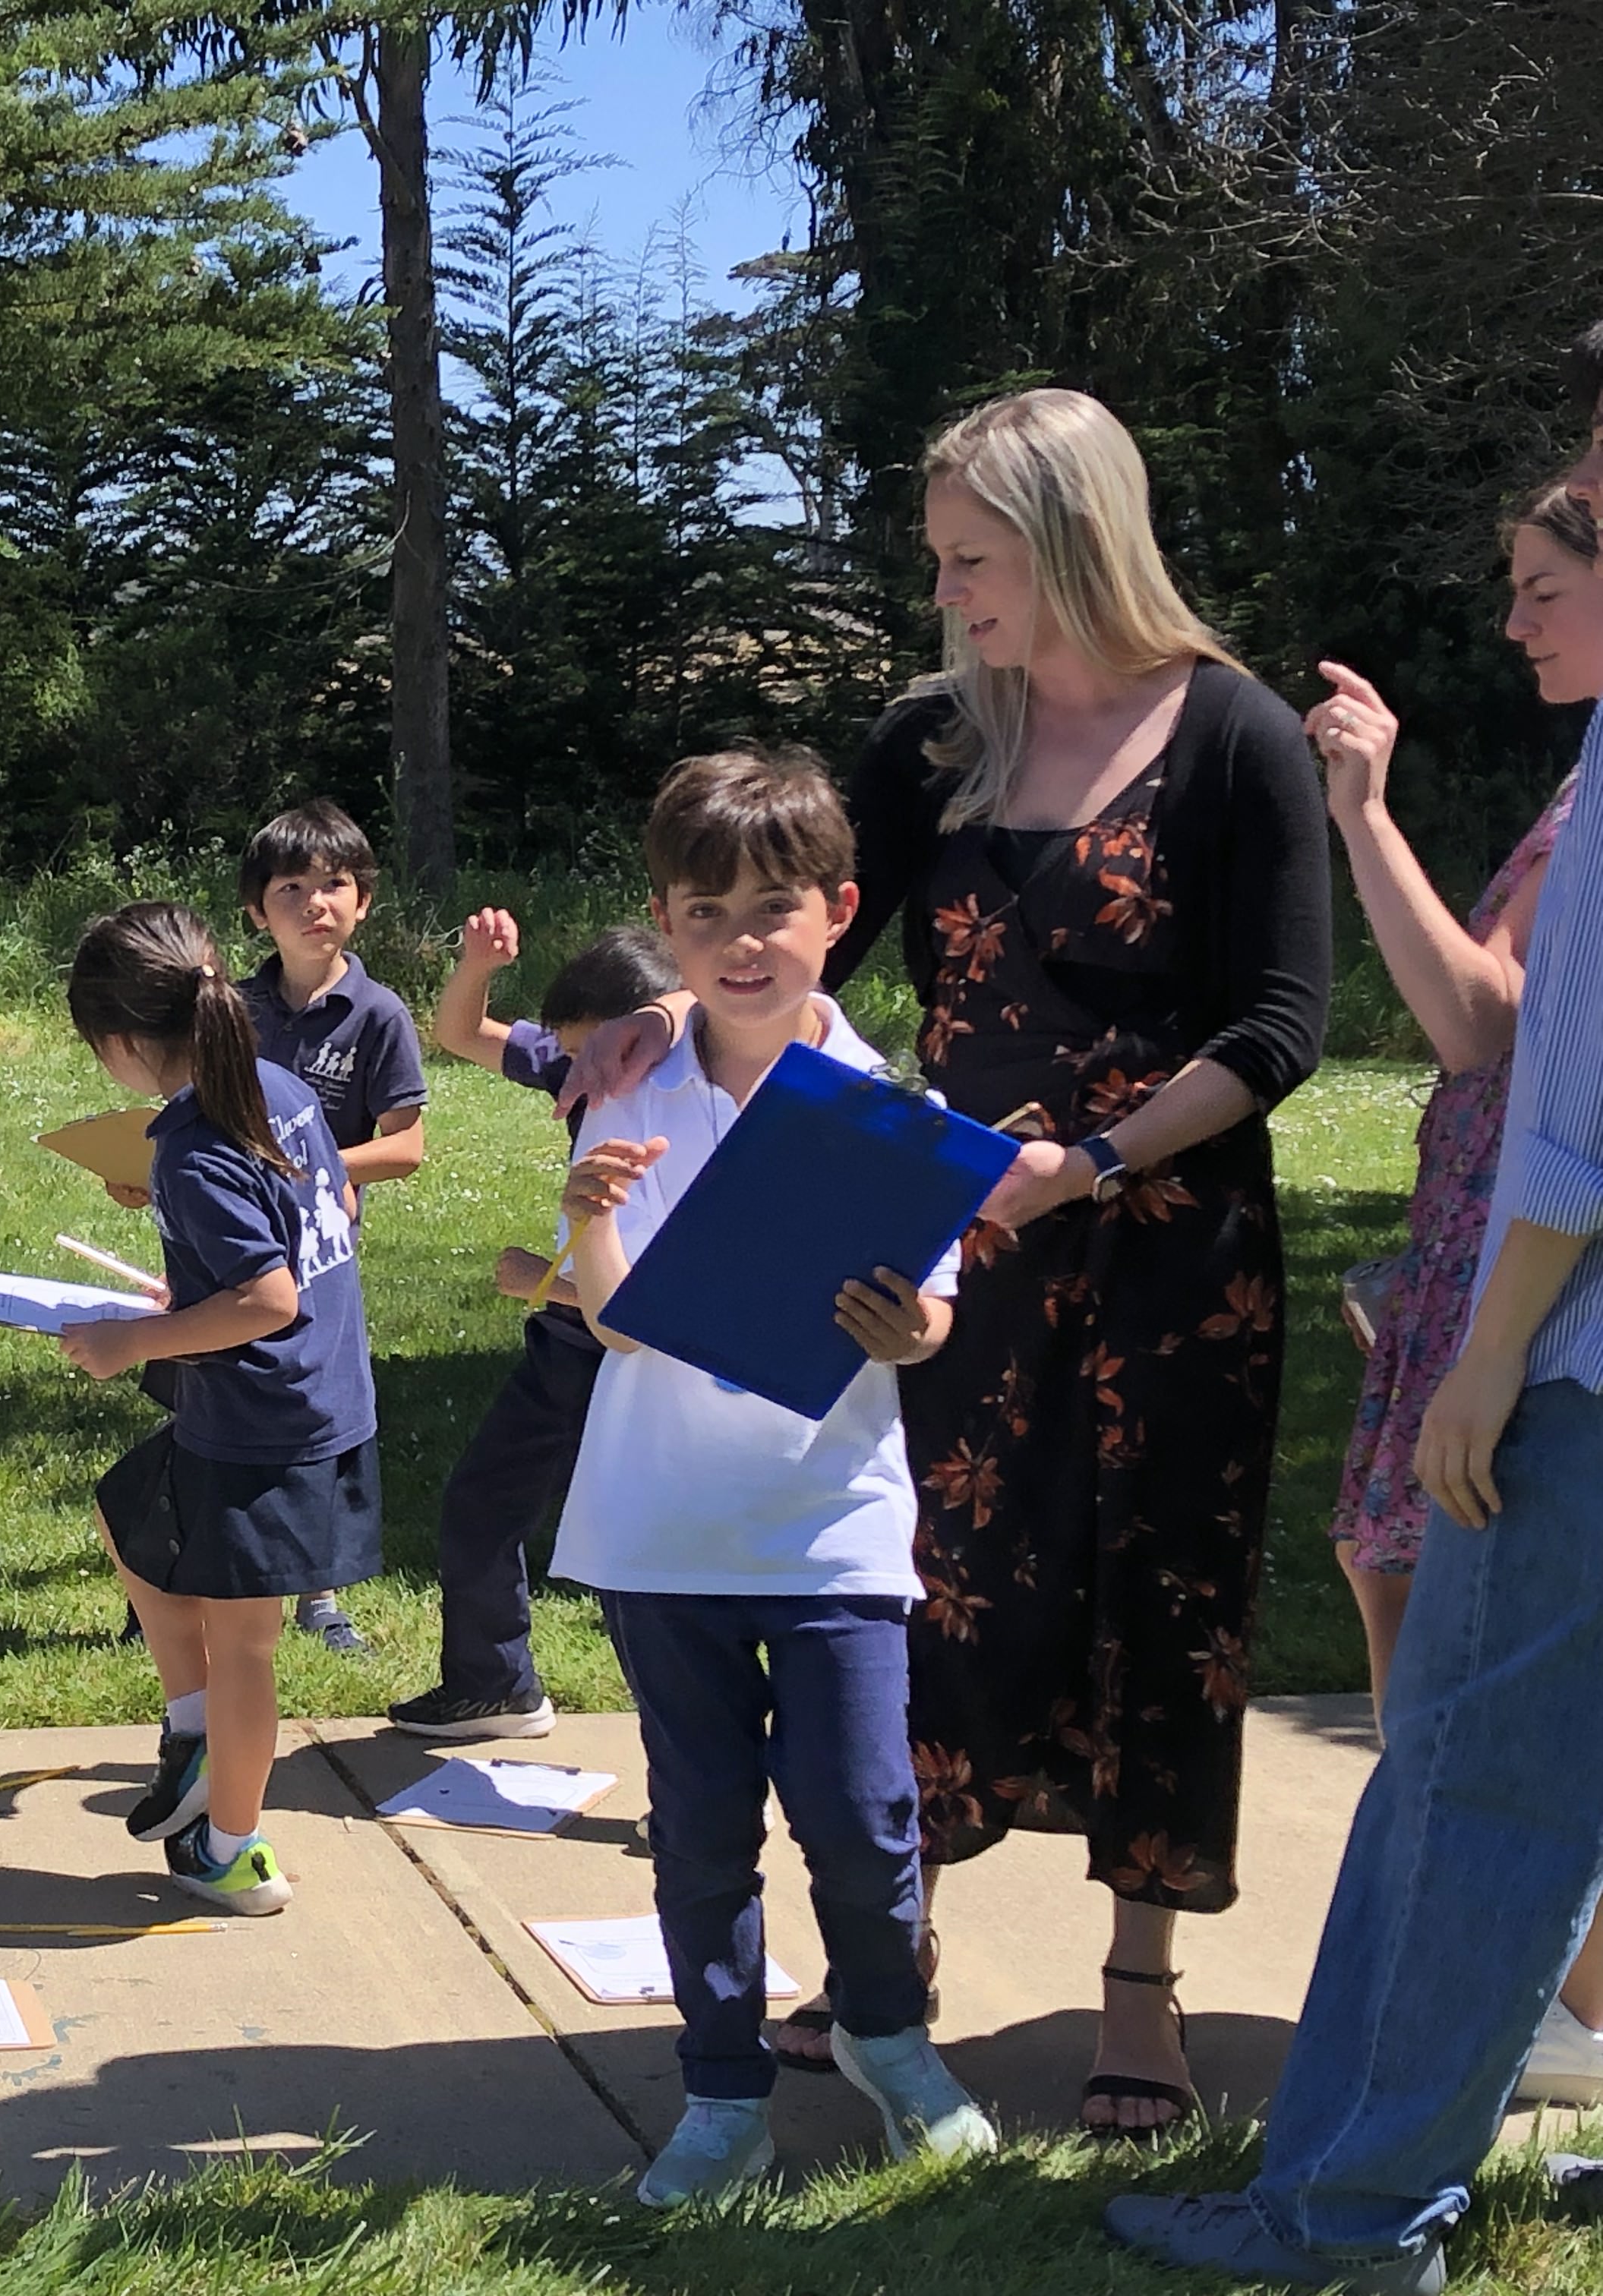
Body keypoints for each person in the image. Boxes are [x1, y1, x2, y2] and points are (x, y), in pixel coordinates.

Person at [575, 389, 1331, 2130]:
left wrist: (1092, 1167)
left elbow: (1283, 1022)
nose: (948, 595)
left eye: (972, 560)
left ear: (1074, 545)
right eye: (939, 560)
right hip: (946, 1226)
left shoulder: (1236, 737)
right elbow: (795, 902)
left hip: (1167, 1238)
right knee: (946, 1588)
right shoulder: (935, 734)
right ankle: (889, 1959)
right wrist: (648, 1024)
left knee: (1162, 1606)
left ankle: (1140, 1986)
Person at [1103, 324, 1603, 2296]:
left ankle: (1343, 2222)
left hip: (1569, 1358)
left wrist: (1486, 1352)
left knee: (1469, 1796)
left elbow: (1559, 1092)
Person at [550, 749, 995, 2206]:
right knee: (697, 1829)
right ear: (664, 926)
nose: (741, 941)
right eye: (703, 913)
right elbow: (612, 1316)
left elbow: (928, 1311)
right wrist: (587, 1219)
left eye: (773, 907)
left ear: (837, 910)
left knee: (864, 1817)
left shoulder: (883, 1109)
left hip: (829, 1527)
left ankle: (889, 2039)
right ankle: (722, 2088)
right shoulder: (629, 1086)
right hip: (662, 1522)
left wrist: (910, 1326)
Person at [1302, 481, 1598, 2109]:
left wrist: (1364, 813)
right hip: (1477, 1256)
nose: (1514, 621)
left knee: (1481, 1649)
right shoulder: (1580, 787)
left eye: (1546, 585)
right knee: (1402, 1588)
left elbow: (1487, 1028)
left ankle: (1559, 2015)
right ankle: (1492, 1980)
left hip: (1533, 1272)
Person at [56, 901, 380, 1916]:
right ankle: (193, 1731)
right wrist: (186, 1283)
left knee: (248, 1645)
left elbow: (266, 1298)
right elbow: (309, 1224)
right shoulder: (273, 1089)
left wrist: (134, 1340)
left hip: (266, 1421)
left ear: (117, 1044)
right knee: (129, 1512)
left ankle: (232, 1851)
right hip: (311, 1394)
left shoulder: (193, 1150)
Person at [387, 914, 680, 1739]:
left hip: (626, 1362)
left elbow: (662, 1305)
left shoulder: (686, 1118)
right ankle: (494, 1686)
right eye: (570, 1053)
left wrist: (543, 1285)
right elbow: (456, 1031)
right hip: (567, 1346)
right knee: (481, 1505)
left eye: (595, 1052)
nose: (579, 1073)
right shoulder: (584, 1070)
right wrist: (477, 965)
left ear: (651, 1033)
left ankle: (698, 1769)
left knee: (643, 1571)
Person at [236, 799, 428, 1654]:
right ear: (255, 911)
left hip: (320, 1251)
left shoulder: (377, 1014)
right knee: (208, 1390)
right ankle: (203, 1568)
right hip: (228, 1238)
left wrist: (310, 1164)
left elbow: (409, 1146)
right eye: (293, 887)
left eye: (335, 884)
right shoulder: (230, 1011)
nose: (317, 902)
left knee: (317, 1410)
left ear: (364, 901)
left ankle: (321, 1593)